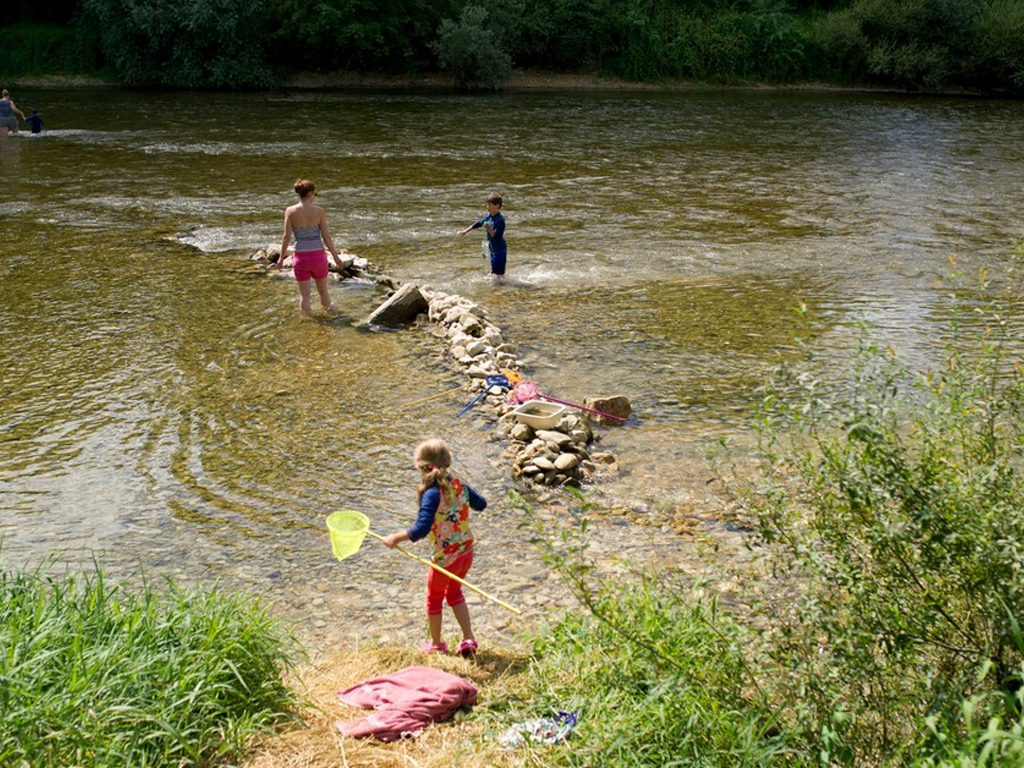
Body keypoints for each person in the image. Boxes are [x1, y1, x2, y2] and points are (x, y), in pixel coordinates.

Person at [383, 438, 487, 657]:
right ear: (447, 461)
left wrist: (396, 537)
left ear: (420, 465)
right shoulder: (459, 485)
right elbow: (482, 504)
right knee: (455, 592)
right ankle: (469, 638)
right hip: (466, 551)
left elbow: (421, 529)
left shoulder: (431, 493)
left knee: (434, 598)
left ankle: (437, 643)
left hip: (444, 559)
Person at [277, 178, 344, 315]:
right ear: (311, 193)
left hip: (301, 257)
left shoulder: (290, 211)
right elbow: (326, 236)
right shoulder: (319, 211)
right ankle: (330, 313)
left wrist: (281, 259)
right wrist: (336, 258)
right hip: (318, 255)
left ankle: (306, 323)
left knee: (305, 295)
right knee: (323, 291)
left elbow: (286, 237)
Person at [458, 192, 506, 280]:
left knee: (497, 274)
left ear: (497, 205)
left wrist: (488, 228)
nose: (487, 207)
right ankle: (498, 287)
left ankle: (499, 289)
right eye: (487, 205)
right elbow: (478, 223)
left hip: (500, 251)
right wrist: (465, 231)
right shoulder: (489, 217)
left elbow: (497, 237)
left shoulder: (500, 220)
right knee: (496, 272)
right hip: (493, 250)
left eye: (490, 205)